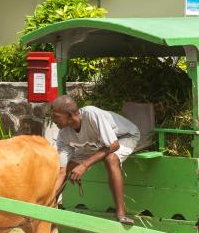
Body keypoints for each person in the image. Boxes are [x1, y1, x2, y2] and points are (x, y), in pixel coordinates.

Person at [50, 95, 140, 225]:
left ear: (69, 115)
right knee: (67, 165)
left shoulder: (92, 114)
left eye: (56, 116)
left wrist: (84, 165)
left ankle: (121, 214)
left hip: (124, 137)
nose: (53, 120)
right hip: (98, 144)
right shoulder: (63, 134)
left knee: (110, 158)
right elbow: (62, 171)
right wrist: (48, 199)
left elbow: (113, 145)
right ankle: (51, 206)